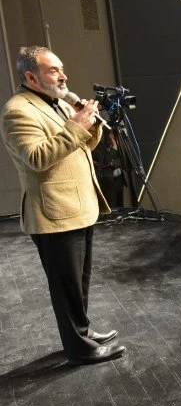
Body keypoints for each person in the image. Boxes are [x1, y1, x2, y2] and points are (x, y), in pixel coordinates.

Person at [1, 46, 124, 365]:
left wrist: (90, 124)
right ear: (31, 77)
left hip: (78, 207)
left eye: (62, 68)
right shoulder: (17, 111)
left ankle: (81, 331)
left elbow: (82, 145)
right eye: (53, 70)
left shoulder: (56, 102)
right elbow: (37, 157)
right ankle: (80, 349)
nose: (63, 76)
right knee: (66, 286)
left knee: (78, 282)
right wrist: (76, 125)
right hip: (53, 212)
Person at [92, 131, 125, 208]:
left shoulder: (119, 144)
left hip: (119, 181)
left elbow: (122, 161)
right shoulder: (98, 146)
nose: (114, 136)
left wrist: (113, 162)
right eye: (112, 133)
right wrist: (114, 149)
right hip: (107, 181)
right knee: (112, 206)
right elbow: (106, 160)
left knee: (120, 205)